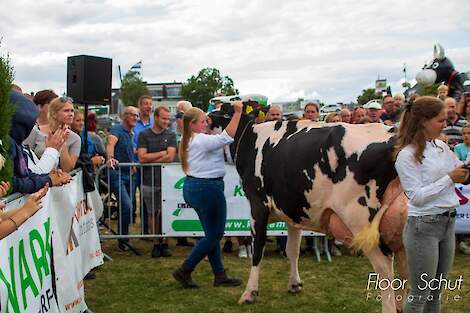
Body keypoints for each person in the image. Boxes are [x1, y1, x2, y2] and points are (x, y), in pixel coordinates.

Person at [394, 96, 468, 313]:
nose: (445, 124)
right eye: (440, 120)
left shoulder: (442, 147)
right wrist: (450, 178)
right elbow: (416, 196)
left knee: (436, 292)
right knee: (420, 294)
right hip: (423, 227)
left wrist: (464, 171)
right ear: (424, 121)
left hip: (448, 223)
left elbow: (459, 172)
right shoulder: (406, 155)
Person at [172, 101, 243, 289]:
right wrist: (238, 112)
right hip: (207, 188)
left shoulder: (190, 138)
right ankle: (185, 270)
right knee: (214, 235)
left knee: (211, 234)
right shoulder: (200, 139)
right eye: (203, 121)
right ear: (192, 124)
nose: (206, 124)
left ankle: (219, 275)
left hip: (196, 187)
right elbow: (227, 137)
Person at [137, 106, 177, 258]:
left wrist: (150, 156)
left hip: (166, 181)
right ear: (156, 117)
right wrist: (161, 153)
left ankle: (165, 242)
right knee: (152, 212)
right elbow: (141, 158)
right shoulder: (143, 134)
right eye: (164, 118)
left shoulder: (171, 134)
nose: (167, 121)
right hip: (149, 180)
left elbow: (170, 157)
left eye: (168, 119)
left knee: (165, 212)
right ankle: (156, 243)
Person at [106, 106, 139, 251]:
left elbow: (129, 150)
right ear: (125, 116)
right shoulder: (117, 129)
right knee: (126, 205)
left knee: (128, 207)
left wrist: (133, 163)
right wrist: (110, 158)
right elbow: (110, 143)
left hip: (129, 174)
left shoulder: (132, 134)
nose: (135, 118)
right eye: (132, 115)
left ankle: (124, 237)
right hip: (117, 173)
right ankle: (123, 239)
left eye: (136, 116)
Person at [24, 96, 81, 172]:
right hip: (35, 177)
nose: (71, 114)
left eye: (72, 111)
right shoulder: (35, 131)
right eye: (66, 111)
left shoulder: (75, 138)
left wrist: (62, 143)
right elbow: (24, 158)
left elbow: (67, 169)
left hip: (60, 181)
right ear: (54, 114)